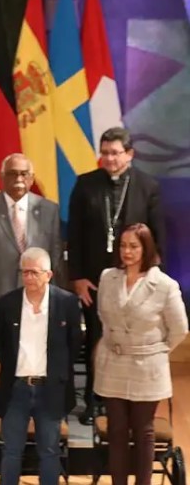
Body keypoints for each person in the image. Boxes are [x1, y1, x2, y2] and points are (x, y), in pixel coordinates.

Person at [68, 127, 166, 424]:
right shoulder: (85, 185)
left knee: (132, 340)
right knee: (98, 340)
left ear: (129, 154)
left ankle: (129, 401)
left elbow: (156, 237)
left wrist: (151, 278)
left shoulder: (147, 186)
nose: (109, 158)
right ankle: (94, 400)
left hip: (135, 279)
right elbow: (75, 235)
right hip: (95, 280)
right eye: (105, 152)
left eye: (115, 153)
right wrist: (78, 277)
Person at [94, 224, 187, 485]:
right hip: (114, 362)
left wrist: (155, 350)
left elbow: (179, 330)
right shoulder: (109, 278)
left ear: (146, 248)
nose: (127, 252)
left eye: (134, 246)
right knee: (117, 432)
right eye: (123, 246)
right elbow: (103, 319)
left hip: (148, 365)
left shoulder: (165, 285)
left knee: (143, 432)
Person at [0, 247, 80, 485]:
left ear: (49, 274)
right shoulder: (7, 304)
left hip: (50, 389)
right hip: (16, 388)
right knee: (11, 450)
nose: (28, 277)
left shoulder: (67, 303)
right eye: (24, 272)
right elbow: (0, 345)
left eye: (34, 272)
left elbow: (73, 344)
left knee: (49, 451)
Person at [0, 154, 61, 352]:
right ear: (2, 176)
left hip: (38, 292)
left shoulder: (49, 209)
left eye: (23, 174)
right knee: (0, 349)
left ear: (32, 178)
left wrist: (54, 289)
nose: (18, 179)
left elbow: (55, 252)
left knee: (34, 347)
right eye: (12, 174)